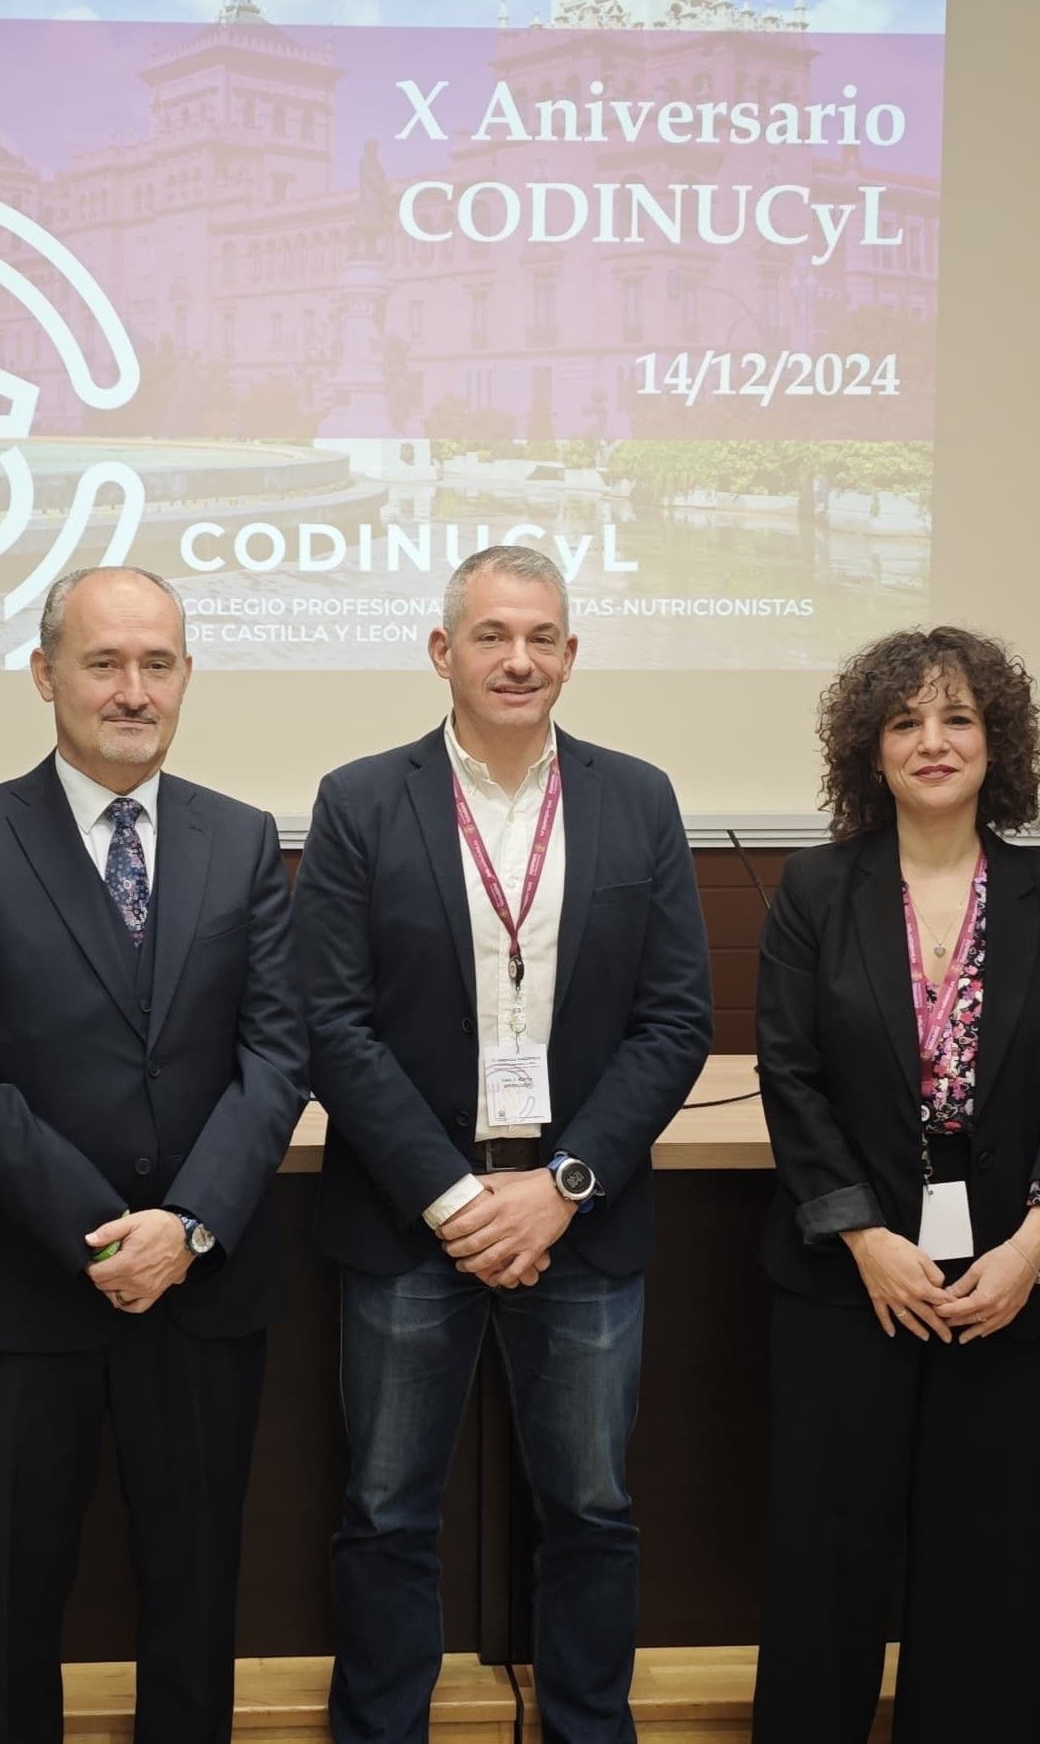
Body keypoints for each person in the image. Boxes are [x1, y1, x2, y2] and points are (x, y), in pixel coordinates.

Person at [299, 545, 714, 1744]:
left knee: (590, 1507)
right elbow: (332, 1022)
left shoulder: (636, 796)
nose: (517, 657)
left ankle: (588, 1726)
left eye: (540, 636)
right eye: (489, 634)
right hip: (403, 1214)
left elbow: (675, 1016)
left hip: (578, 1213)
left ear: (571, 654)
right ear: (443, 652)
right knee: (383, 1510)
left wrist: (562, 1187)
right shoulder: (359, 799)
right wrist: (450, 1195)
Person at [0, 565, 304, 1744]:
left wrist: (183, 1227)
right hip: (27, 1288)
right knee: (12, 1597)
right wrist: (103, 1233)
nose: (132, 690)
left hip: (203, 1283)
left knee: (194, 1592)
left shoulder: (240, 840)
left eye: (157, 663)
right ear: (44, 675)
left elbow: (276, 1057)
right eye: (103, 662)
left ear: (184, 679)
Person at [747, 627, 1040, 1742]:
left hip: (1010, 1280)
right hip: (844, 1281)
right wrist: (862, 1235)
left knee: (988, 1573)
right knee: (826, 1564)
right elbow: (789, 1072)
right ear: (869, 748)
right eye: (904, 720)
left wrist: (1033, 1241)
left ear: (994, 740)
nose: (931, 740)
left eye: (956, 716)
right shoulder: (815, 889)